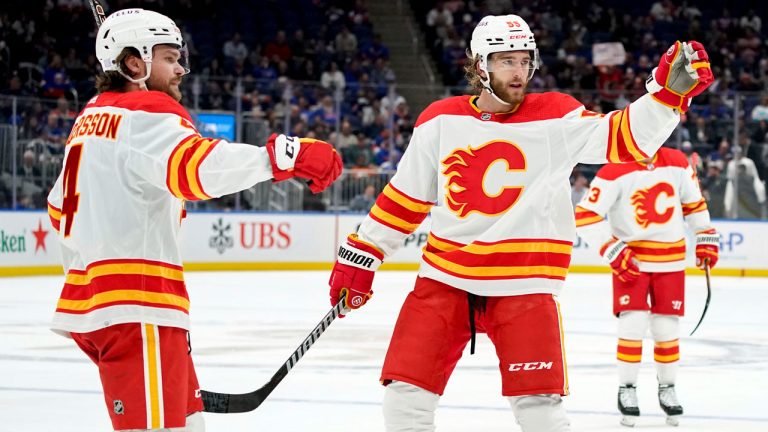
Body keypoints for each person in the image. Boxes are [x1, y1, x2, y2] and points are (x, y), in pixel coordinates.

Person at [327, 14, 713, 432]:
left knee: (539, 409)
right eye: (506, 60)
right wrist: (360, 257)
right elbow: (404, 199)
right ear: (479, 66)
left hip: (525, 286)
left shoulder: (556, 116)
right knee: (404, 399)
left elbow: (624, 138)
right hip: (444, 280)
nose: (519, 71)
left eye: (524, 59)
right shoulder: (439, 121)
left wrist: (665, 96)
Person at [45, 9, 341, 432]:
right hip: (137, 306)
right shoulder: (145, 110)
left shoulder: (90, 120)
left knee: (186, 423)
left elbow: (59, 209)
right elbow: (195, 169)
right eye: (169, 57)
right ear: (134, 63)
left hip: (109, 308)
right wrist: (281, 156)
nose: (181, 68)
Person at [574, 146, 719, 427]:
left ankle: (668, 387)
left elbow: (694, 203)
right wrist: (612, 249)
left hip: (671, 263)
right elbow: (586, 215)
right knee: (633, 325)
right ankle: (626, 388)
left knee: (667, 329)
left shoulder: (677, 161)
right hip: (633, 264)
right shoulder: (614, 169)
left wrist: (705, 234)